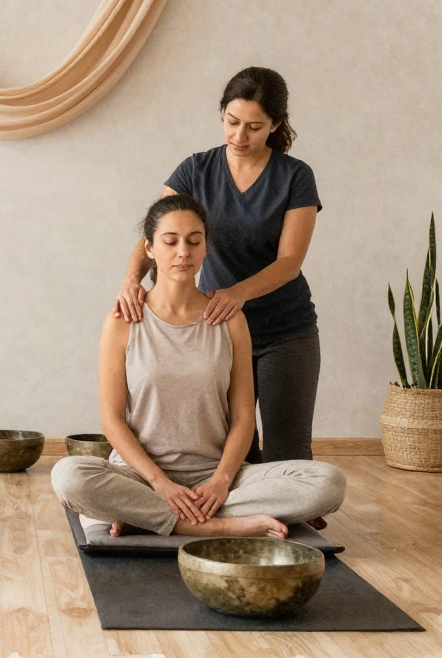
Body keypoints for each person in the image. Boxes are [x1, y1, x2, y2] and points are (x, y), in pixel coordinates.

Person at [53, 194, 344, 538]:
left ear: (206, 247)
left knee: (328, 482)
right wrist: (160, 484)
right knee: (68, 475)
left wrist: (221, 481)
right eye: (170, 241)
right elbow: (112, 421)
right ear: (149, 248)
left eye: (194, 241)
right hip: (140, 476)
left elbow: (243, 418)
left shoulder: (229, 319)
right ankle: (217, 526)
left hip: (214, 476)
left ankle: (148, 516)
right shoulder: (123, 321)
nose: (183, 252)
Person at [113, 67, 322, 468]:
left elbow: (289, 262)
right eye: (232, 121)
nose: (240, 136)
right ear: (222, 113)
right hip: (215, 330)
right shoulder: (196, 171)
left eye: (254, 127)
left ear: (275, 124)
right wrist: (130, 281)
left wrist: (236, 293)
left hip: (284, 331)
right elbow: (158, 231)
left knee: (289, 457)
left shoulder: (295, 176)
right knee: (234, 452)